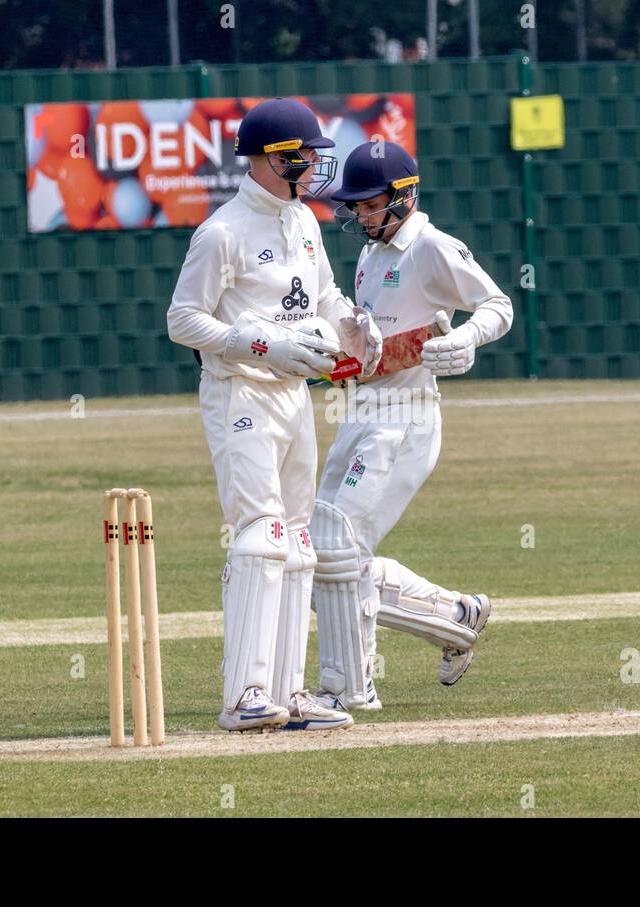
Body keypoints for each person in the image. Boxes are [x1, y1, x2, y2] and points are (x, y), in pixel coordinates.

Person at [167, 98, 382, 732]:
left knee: (297, 540)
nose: (314, 165)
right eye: (303, 155)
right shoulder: (223, 232)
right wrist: (264, 344)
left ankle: (289, 694)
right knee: (260, 534)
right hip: (241, 392)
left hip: (293, 394)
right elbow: (183, 320)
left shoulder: (303, 223)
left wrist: (353, 326)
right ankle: (244, 695)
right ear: (268, 160)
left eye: (317, 154)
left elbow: (325, 295)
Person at [310, 140, 513, 712]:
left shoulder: (430, 245)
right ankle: (455, 616)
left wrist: (466, 337)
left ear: (403, 197)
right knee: (320, 552)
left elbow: (497, 304)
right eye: (355, 206)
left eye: (369, 205)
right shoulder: (373, 253)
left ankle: (351, 687)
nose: (359, 216)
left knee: (337, 551)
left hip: (406, 421)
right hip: (363, 411)